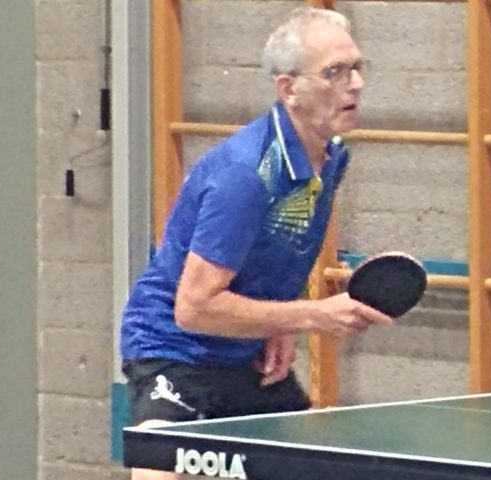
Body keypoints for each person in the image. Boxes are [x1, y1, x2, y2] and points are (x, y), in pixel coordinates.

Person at [118, 7, 392, 479]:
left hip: (244, 353)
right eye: (333, 72)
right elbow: (194, 308)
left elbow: (283, 247)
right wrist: (311, 315)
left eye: (356, 67)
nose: (355, 84)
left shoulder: (330, 157)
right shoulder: (245, 177)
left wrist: (275, 325)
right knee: (159, 469)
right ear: (289, 89)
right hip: (175, 351)